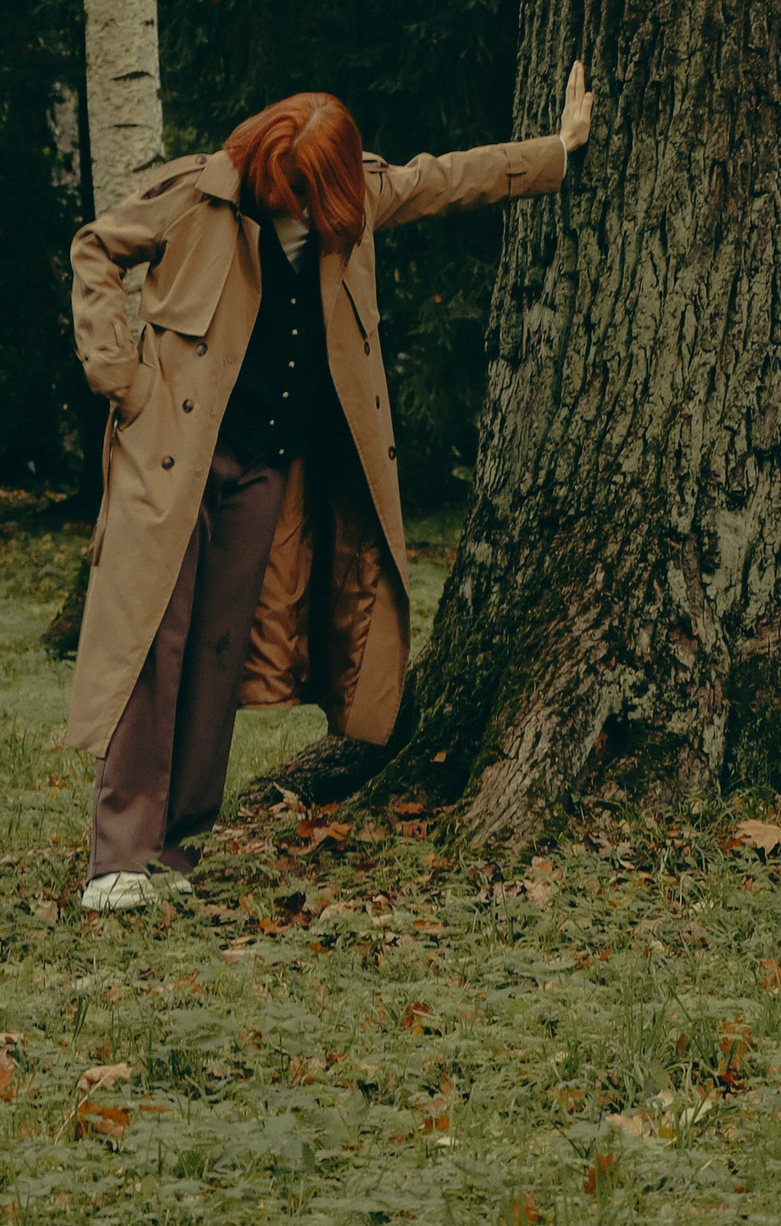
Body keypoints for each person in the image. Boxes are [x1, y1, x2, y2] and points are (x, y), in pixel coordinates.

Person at [62, 65, 595, 912]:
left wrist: (557, 153)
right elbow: (97, 246)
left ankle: (174, 846)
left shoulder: (357, 200)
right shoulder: (201, 193)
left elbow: (447, 178)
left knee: (216, 649)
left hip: (267, 468)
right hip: (172, 456)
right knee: (153, 642)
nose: (291, 206)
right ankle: (117, 857)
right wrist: (117, 374)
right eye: (282, 189)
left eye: (307, 192)